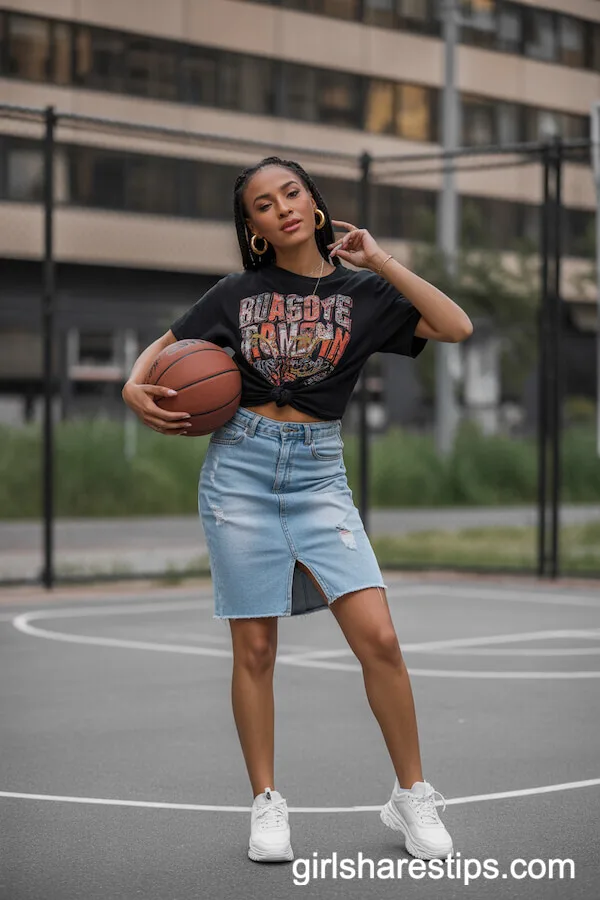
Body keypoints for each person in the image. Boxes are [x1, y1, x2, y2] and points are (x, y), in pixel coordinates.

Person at [122, 156, 473, 865]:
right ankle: (266, 803)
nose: (279, 207)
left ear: (314, 204)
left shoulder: (364, 294)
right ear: (251, 227)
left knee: (379, 638)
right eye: (261, 204)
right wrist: (132, 386)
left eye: (291, 193)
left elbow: (455, 325)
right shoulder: (234, 293)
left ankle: (412, 793)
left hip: (318, 476)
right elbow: (159, 355)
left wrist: (380, 258)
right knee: (255, 648)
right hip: (240, 468)